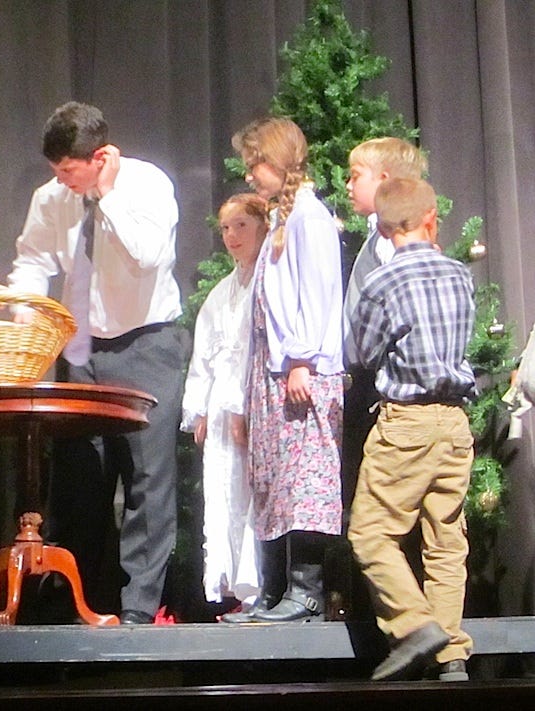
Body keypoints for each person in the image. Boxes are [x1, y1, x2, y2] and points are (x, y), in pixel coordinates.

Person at [6, 101, 187, 624]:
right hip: (82, 348)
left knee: (147, 481)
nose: (61, 181)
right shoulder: (53, 196)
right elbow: (33, 259)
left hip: (147, 343)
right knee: (81, 478)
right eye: (55, 170)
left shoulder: (147, 185)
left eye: (69, 170)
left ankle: (137, 608)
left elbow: (148, 255)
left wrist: (106, 197)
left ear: (102, 156)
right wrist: (27, 310)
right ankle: (81, 604)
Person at [347, 177, 475, 682]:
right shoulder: (460, 275)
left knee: (370, 533)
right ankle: (452, 657)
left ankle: (416, 624)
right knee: (445, 543)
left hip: (408, 421)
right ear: (431, 218)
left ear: (382, 227)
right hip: (454, 423)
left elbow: (365, 351)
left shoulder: (382, 283)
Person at [222, 117, 344, 624]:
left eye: (257, 165)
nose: (251, 176)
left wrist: (300, 359)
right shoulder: (280, 219)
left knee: (305, 482)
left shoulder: (308, 218)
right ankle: (275, 590)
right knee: (274, 481)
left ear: (279, 162)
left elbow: (315, 295)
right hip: (273, 374)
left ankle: (307, 591)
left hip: (300, 371)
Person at [180, 193, 268, 611]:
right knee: (224, 492)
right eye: (227, 228)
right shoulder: (221, 293)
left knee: (252, 493)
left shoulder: (269, 282)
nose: (232, 236)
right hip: (220, 406)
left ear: (262, 226)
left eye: (242, 226)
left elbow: (256, 351)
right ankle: (234, 586)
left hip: (253, 402)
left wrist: (242, 408)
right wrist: (199, 409)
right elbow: (204, 354)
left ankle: (259, 585)